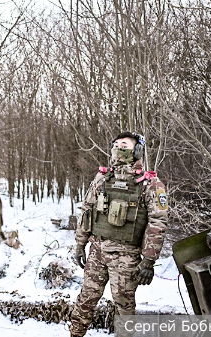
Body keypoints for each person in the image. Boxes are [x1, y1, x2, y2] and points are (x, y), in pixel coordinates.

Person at [70, 132, 169, 337]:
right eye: (115, 144)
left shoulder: (150, 184)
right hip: (97, 250)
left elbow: (157, 222)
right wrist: (80, 244)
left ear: (137, 150)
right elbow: (87, 211)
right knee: (85, 299)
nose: (118, 148)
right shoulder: (103, 178)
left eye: (124, 144)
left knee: (124, 307)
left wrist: (149, 261)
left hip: (126, 256)